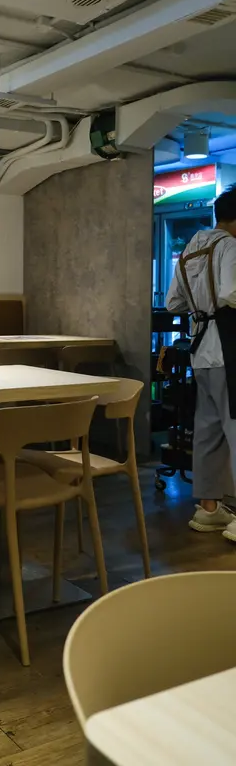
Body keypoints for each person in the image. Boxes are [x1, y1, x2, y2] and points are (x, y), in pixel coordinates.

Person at [166, 184, 236, 540]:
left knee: (208, 430)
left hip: (201, 351)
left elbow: (173, 303)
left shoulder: (191, 249)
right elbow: (231, 292)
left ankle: (209, 509)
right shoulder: (230, 247)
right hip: (228, 348)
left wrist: (201, 307)